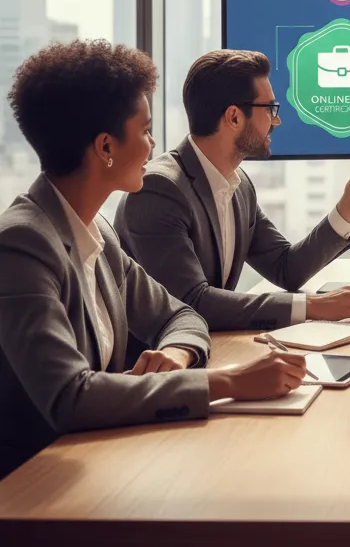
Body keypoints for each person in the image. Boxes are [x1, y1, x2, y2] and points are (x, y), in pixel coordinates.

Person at [0, 41, 306, 479]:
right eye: (145, 130)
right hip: (32, 484)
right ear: (106, 146)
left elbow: (181, 314)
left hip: (100, 460)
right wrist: (229, 381)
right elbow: (69, 397)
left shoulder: (96, 232)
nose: (153, 144)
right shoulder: (22, 245)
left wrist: (177, 353)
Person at [114, 50, 350, 332]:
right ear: (234, 117)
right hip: (158, 358)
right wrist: (311, 306)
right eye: (269, 109)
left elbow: (286, 268)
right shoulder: (159, 190)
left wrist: (349, 207)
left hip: (215, 348)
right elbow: (191, 302)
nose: (276, 121)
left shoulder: (239, 186)